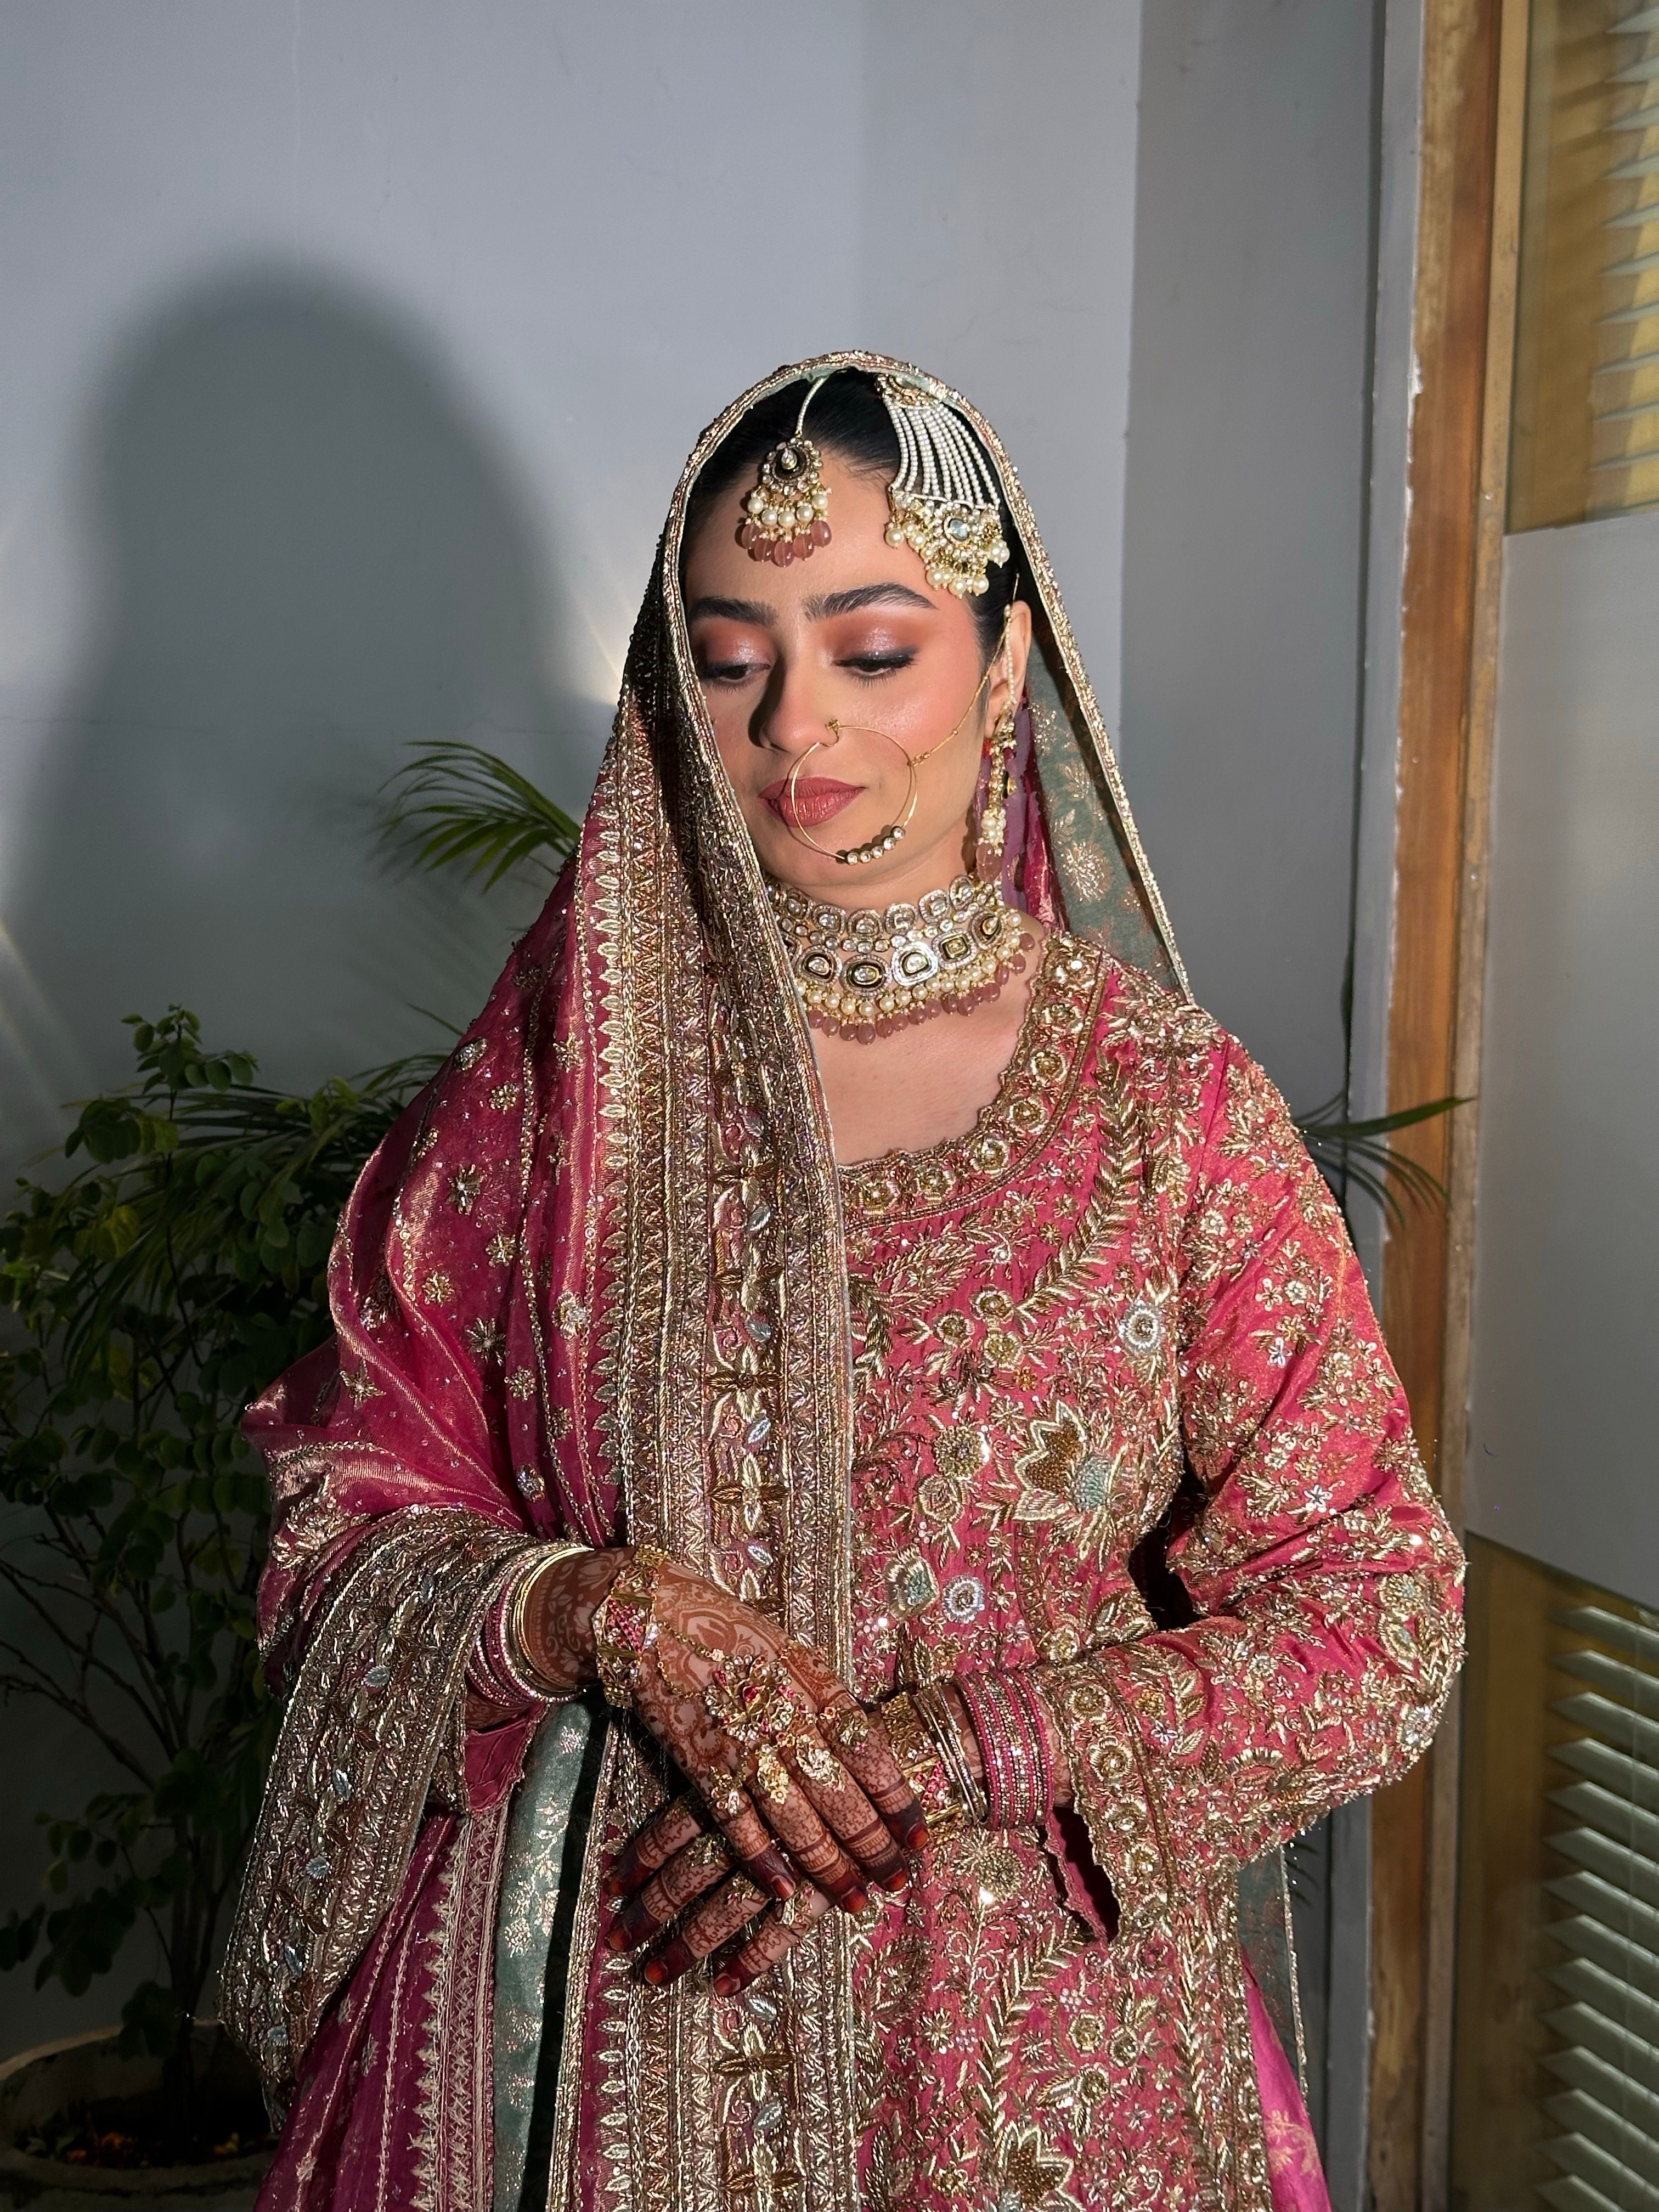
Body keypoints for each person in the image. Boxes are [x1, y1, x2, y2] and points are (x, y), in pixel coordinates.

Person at [223, 356, 1464, 2212]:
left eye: (874, 651)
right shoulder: (570, 1084)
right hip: (606, 2037)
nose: (799, 723)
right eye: (732, 663)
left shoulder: (1165, 1109)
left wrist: (963, 1750)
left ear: (1006, 661)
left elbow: (1378, 1617)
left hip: (1045, 2070)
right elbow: (342, 1505)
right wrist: (608, 1614)